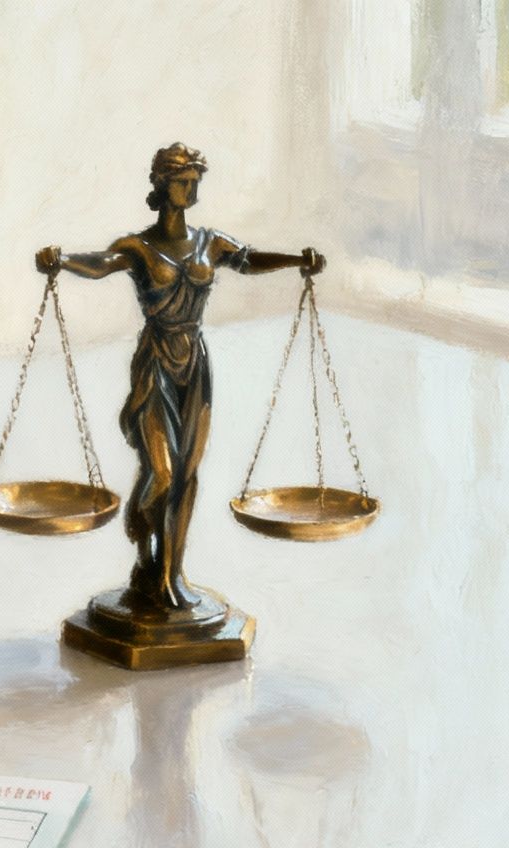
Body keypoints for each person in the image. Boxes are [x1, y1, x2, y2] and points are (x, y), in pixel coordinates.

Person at [36, 143, 323, 614]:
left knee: (187, 473)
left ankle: (170, 572)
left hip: (196, 365)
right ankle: (141, 532)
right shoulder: (138, 247)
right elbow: (102, 264)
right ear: (161, 184)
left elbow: (248, 259)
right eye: (183, 180)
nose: (191, 189)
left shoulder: (210, 242)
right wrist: (61, 261)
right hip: (155, 364)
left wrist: (298, 261)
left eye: (195, 181)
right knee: (162, 473)